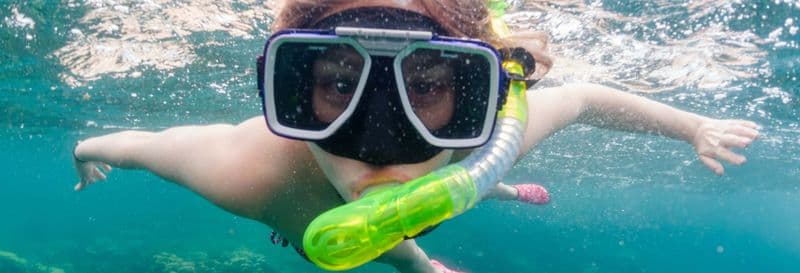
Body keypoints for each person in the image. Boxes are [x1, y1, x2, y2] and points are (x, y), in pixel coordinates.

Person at [71, 1, 760, 272]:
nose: (377, 140)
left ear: (478, 97)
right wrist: (85, 155)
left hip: (467, 174)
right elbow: (127, 143)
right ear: (290, 91)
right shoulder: (248, 172)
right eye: (339, 85)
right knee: (415, 199)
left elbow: (580, 99)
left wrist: (692, 125)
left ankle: (504, 191)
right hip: (312, 202)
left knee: (452, 190)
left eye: (426, 86)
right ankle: (498, 190)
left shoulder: (490, 135)